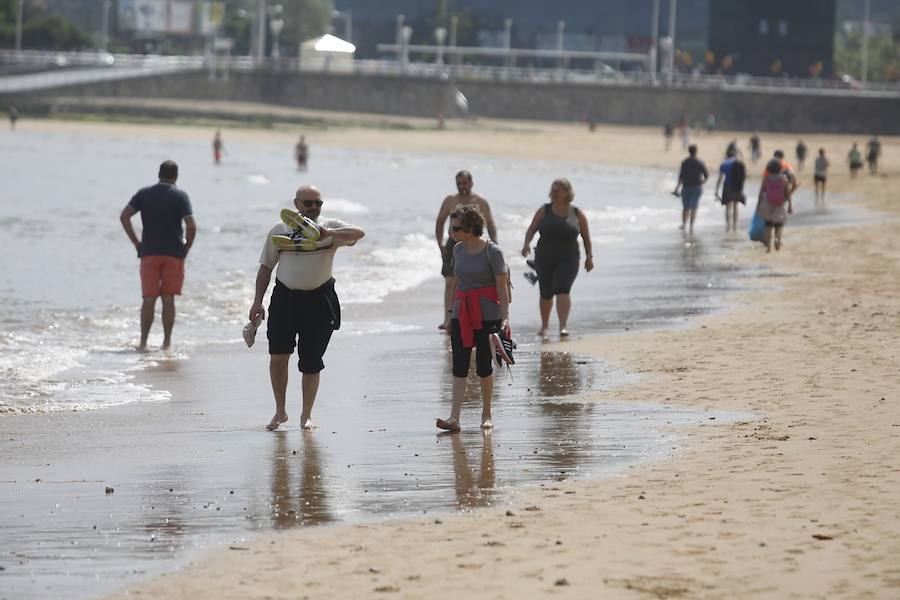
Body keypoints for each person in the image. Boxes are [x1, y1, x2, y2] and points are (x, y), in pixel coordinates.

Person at [250, 185, 365, 432]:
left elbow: (359, 233)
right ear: (296, 204)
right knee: (278, 356)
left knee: (311, 361)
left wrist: (328, 232)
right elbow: (265, 268)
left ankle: (306, 416)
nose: (313, 208)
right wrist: (257, 301)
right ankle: (280, 412)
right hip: (284, 298)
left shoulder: (331, 227)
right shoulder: (280, 229)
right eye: (308, 203)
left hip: (319, 299)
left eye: (317, 204)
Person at [436, 204, 509, 432]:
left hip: (488, 315)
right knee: (459, 364)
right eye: (451, 227)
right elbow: (456, 283)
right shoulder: (457, 250)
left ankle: (487, 413)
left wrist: (505, 319)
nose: (452, 233)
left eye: (456, 228)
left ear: (471, 227)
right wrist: (450, 316)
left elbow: (501, 286)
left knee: (484, 366)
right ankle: (454, 418)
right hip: (462, 313)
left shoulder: (493, 252)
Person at [119, 160, 197, 351]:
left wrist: (136, 243)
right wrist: (186, 248)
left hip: (149, 253)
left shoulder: (144, 193)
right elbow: (192, 225)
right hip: (173, 254)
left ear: (159, 173)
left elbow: (124, 216)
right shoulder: (180, 196)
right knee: (168, 298)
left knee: (148, 298)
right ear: (175, 176)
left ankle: (143, 343)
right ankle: (166, 343)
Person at [520, 178, 594, 339]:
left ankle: (563, 326)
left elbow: (586, 236)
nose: (554, 193)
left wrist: (589, 257)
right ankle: (545, 325)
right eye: (552, 190)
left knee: (563, 290)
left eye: (558, 190)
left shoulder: (576, 213)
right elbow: (531, 229)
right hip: (544, 257)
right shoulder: (544, 210)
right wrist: (526, 244)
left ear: (567, 193)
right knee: (546, 292)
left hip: (569, 257)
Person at [435, 171, 498, 331]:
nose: (462, 186)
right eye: (459, 183)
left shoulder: (480, 201)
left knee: (468, 282)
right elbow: (440, 221)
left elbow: (490, 224)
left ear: (471, 183)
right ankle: (448, 319)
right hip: (452, 243)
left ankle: (468, 315)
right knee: (450, 282)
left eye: (464, 183)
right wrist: (440, 245)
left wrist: (494, 244)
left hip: (475, 244)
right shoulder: (451, 200)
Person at [756, 159, 792, 253]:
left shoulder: (767, 178)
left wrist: (758, 205)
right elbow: (787, 193)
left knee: (768, 225)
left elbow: (761, 192)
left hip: (768, 203)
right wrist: (790, 205)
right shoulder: (783, 178)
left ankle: (768, 247)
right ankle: (777, 240)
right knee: (779, 225)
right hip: (780, 204)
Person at [672, 145, 709, 236]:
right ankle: (691, 226)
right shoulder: (700, 162)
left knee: (685, 207)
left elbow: (681, 176)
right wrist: (702, 182)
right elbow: (706, 175)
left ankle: (684, 225)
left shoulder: (684, 162)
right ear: (696, 152)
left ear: (689, 151)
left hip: (686, 187)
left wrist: (677, 188)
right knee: (694, 208)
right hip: (697, 187)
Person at [714, 148, 747, 232]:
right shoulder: (739, 163)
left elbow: (720, 178)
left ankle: (728, 226)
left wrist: (716, 190)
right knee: (736, 206)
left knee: (728, 207)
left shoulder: (724, 164)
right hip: (738, 186)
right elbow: (743, 176)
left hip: (728, 185)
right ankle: (735, 226)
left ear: (727, 156)